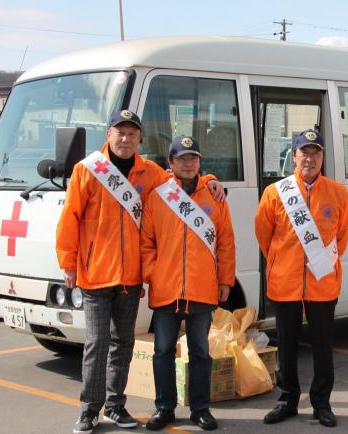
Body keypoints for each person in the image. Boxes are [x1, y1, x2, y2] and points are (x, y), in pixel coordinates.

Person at [56, 110, 225, 434]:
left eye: (132, 134)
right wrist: (68, 263)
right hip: (94, 274)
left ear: (140, 139)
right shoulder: (87, 171)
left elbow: (185, 180)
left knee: (123, 345)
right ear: (108, 135)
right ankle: (89, 410)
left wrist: (210, 179)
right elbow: (69, 220)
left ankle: (116, 406)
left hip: (130, 278)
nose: (125, 138)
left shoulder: (151, 174)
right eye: (120, 132)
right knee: (97, 343)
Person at [255, 129, 348, 428]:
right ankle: (286, 401)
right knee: (287, 344)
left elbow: (342, 236)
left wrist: (321, 264)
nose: (310, 158)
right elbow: (264, 235)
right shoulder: (275, 192)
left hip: (323, 283)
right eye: (304, 152)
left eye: (316, 152)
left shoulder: (337, 192)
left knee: (323, 346)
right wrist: (284, 262)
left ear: (322, 157)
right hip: (285, 283)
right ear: (293, 155)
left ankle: (322, 403)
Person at [141, 135, 235, 431]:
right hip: (167, 288)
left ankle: (201, 408)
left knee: (200, 353)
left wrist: (225, 281)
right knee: (163, 351)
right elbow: (146, 243)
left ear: (200, 162)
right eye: (181, 158)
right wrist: (153, 273)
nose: (188, 163)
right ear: (170, 163)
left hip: (202, 287)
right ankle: (164, 407)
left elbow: (226, 243)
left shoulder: (214, 197)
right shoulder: (158, 197)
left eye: (193, 158)